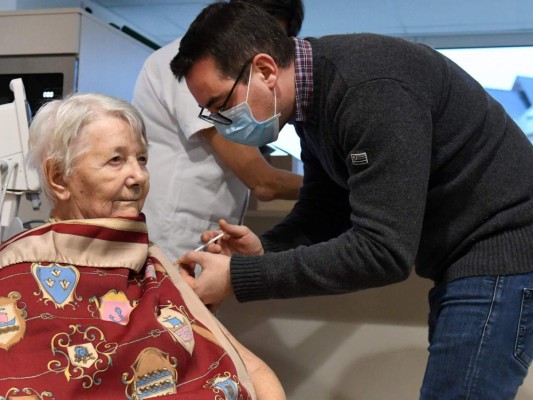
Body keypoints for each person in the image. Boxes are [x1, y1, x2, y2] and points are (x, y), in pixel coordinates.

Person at [170, 2, 533, 399]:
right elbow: (325, 210)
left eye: (223, 105)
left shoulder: (369, 89)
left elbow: (382, 252)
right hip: (465, 257)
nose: (222, 123)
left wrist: (238, 279)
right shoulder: (310, 103)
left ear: (265, 70)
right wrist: (262, 251)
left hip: (502, 251)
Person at [0, 93, 285, 399]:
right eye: (116, 160)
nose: (138, 176)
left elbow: (254, 371)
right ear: (58, 178)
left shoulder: (153, 261)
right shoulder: (17, 276)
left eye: (142, 159)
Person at [132, 0, 304, 261]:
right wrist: (336, 187)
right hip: (172, 237)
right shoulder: (197, 68)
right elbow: (263, 182)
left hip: (202, 235)